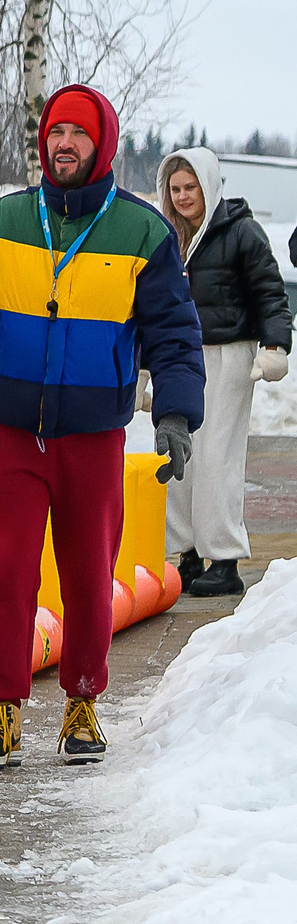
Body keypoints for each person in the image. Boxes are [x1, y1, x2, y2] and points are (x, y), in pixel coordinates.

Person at [0, 84, 204, 771]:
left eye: (78, 136)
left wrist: (176, 411)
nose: (63, 145)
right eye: (56, 133)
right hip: (10, 432)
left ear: (102, 146)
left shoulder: (143, 232)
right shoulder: (1, 220)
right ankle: (1, 710)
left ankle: (83, 700)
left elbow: (175, 335)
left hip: (92, 437)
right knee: (6, 574)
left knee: (89, 575)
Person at [153, 146, 291, 597]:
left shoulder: (242, 233)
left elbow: (270, 290)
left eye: (190, 187)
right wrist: (140, 368)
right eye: (175, 189)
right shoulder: (165, 237)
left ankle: (225, 559)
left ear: (208, 186)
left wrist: (275, 345)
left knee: (217, 456)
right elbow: (147, 306)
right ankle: (187, 553)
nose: (182, 197)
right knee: (177, 454)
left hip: (228, 355)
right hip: (178, 357)